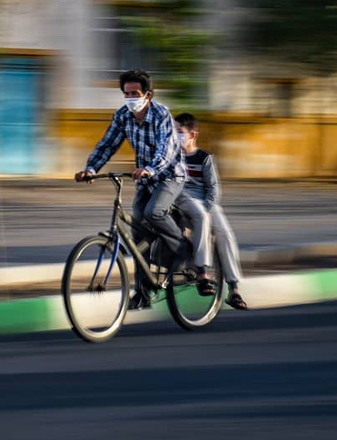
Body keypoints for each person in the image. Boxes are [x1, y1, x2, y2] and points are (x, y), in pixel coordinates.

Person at [75, 69, 188, 309]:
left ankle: (183, 250)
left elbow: (166, 150)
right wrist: (91, 169)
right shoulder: (123, 116)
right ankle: (143, 293)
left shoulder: (161, 114)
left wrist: (149, 168)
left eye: (135, 93)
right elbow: (107, 144)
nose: (130, 98)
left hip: (169, 176)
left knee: (152, 213)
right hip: (145, 180)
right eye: (126, 94)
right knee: (138, 237)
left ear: (148, 94)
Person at [174, 112, 248, 310]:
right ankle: (203, 272)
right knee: (201, 218)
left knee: (225, 233)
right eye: (173, 131)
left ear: (193, 134)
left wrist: (208, 207)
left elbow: (214, 188)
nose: (176, 135)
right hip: (183, 198)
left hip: (205, 200)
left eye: (180, 132)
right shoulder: (171, 156)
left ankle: (234, 289)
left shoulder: (204, 158)